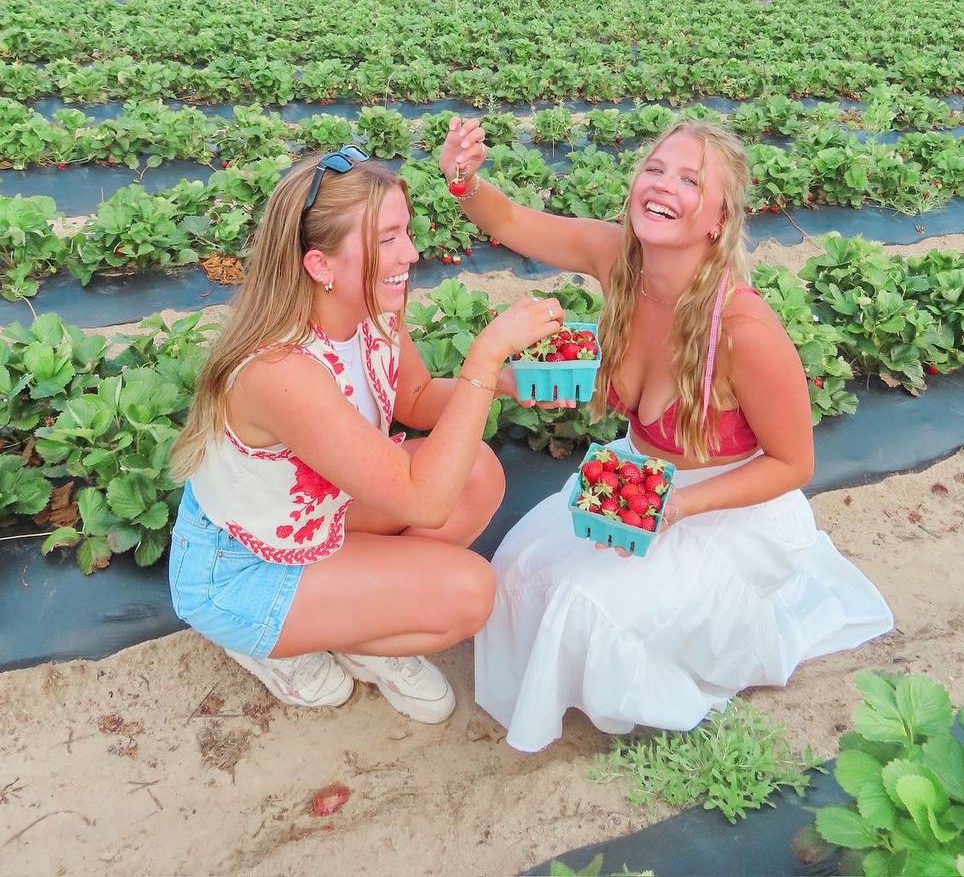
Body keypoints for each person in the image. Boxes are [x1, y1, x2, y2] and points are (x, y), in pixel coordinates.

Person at [438, 117, 894, 753]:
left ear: (718, 220)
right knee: (517, 568)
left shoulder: (743, 331)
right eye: (655, 169)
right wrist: (462, 179)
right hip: (637, 479)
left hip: (727, 507)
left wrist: (677, 506)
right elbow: (511, 221)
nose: (663, 185)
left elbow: (794, 463)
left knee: (581, 602)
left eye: (690, 180)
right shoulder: (617, 260)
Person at [168, 146, 566, 723]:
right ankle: (284, 641)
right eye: (387, 239)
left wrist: (503, 382)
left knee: (476, 472)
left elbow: (415, 397)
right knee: (469, 594)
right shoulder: (281, 371)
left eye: (406, 231)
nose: (412, 253)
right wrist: (484, 360)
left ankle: (358, 627)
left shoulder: (372, 308)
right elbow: (424, 502)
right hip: (241, 566)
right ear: (320, 265)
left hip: (306, 514)